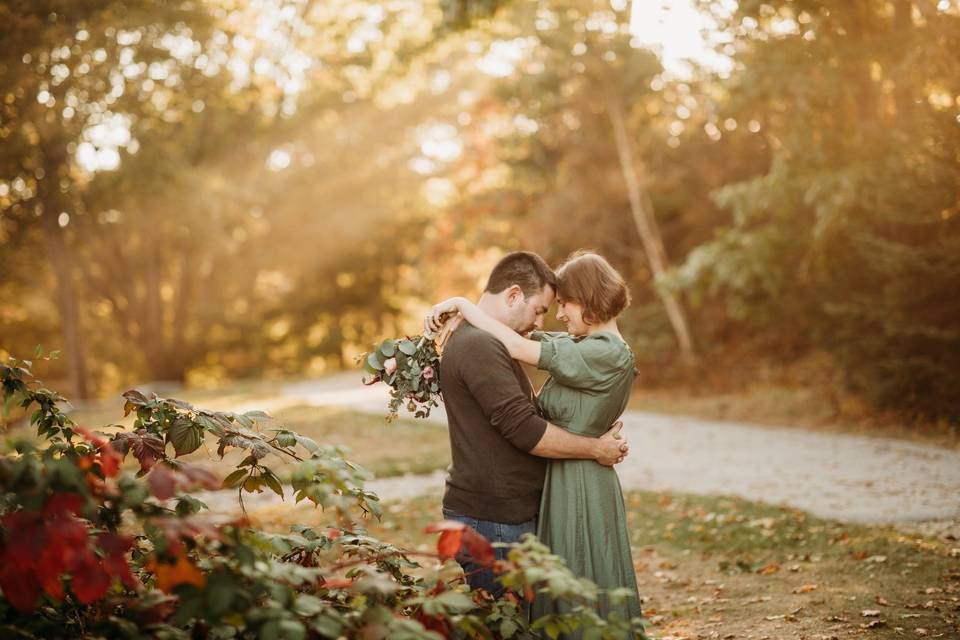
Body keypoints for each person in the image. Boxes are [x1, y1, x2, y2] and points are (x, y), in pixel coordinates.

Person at [427, 250, 643, 634]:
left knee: (580, 589)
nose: (554, 317)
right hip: (535, 495)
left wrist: (462, 305)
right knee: (551, 602)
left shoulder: (601, 351)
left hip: (576, 485)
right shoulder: (575, 347)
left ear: (589, 298)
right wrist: (595, 446)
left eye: (562, 305)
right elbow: (521, 347)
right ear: (512, 296)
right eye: (546, 307)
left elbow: (522, 345)